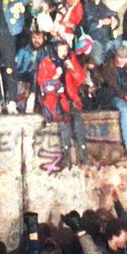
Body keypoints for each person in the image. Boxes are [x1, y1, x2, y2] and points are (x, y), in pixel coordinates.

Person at [37, 38, 88, 168]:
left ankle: (83, 152)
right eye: (60, 51)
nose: (63, 53)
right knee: (64, 123)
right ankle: (66, 155)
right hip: (54, 99)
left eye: (65, 50)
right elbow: (42, 83)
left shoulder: (70, 59)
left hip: (70, 97)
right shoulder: (47, 62)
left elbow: (81, 80)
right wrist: (55, 76)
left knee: (77, 120)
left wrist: (72, 69)